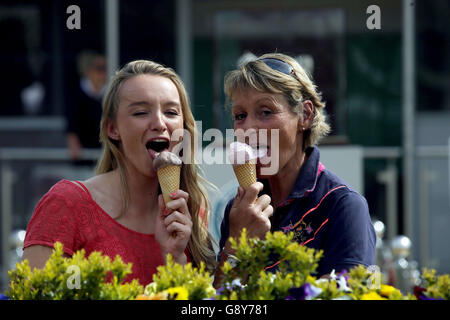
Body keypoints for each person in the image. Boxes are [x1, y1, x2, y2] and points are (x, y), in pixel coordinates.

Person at [23, 60, 217, 286]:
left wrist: (175, 258)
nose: (159, 123)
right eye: (141, 112)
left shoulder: (191, 214)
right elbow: (33, 290)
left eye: (171, 112)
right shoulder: (66, 204)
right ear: (112, 129)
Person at [216, 53, 376, 280]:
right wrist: (236, 246)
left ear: (305, 115)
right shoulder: (238, 209)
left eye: (265, 111)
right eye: (240, 115)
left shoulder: (343, 206)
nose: (248, 127)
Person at [65, 50, 106, 164]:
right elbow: (71, 125)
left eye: (105, 68)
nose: (104, 73)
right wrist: (73, 143)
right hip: (83, 159)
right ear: (89, 71)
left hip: (106, 157)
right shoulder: (76, 94)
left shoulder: (112, 94)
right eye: (99, 68)